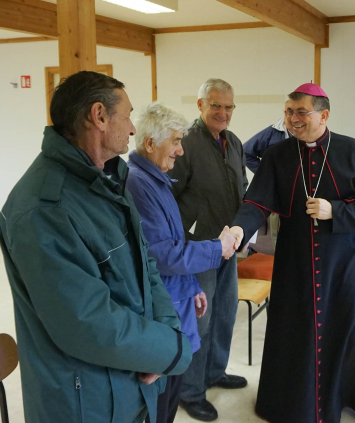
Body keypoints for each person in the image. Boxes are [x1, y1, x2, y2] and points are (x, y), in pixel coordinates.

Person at [0, 71, 192, 423]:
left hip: (131, 383)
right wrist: (171, 349)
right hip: (87, 401)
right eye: (128, 115)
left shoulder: (107, 179)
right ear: (99, 116)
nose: (134, 128)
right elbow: (87, 323)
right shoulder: (44, 209)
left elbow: (146, 263)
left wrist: (167, 334)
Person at [229, 83, 355, 423]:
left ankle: (353, 397)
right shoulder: (277, 155)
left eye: (301, 112)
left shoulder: (353, 150)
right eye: (288, 112)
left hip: (346, 261)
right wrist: (238, 229)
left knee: (352, 331)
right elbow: (257, 203)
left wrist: (336, 211)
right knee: (294, 333)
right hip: (295, 262)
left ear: (324, 114)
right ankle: (292, 404)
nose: (293, 119)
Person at [125, 102, 238, 423]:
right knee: (160, 404)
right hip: (162, 313)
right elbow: (163, 255)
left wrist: (191, 287)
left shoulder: (157, 178)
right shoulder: (138, 184)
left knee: (170, 399)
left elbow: (174, 241)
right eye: (175, 141)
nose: (180, 150)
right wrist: (218, 249)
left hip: (177, 299)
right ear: (150, 143)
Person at [168, 78, 248, 421]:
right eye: (216, 105)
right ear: (200, 105)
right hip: (198, 250)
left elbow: (240, 187)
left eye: (228, 107)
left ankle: (215, 372)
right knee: (199, 321)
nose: (223, 112)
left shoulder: (234, 142)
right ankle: (190, 391)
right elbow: (168, 198)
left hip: (227, 247)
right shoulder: (185, 142)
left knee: (225, 313)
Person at [243, 100, 293, 250]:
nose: (290, 117)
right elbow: (246, 152)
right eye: (287, 112)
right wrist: (266, 174)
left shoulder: (307, 134)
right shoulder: (272, 132)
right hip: (275, 193)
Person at [243, 99, 292, 174]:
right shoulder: (272, 132)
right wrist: (264, 174)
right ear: (284, 112)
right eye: (289, 112)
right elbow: (245, 152)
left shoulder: (309, 133)